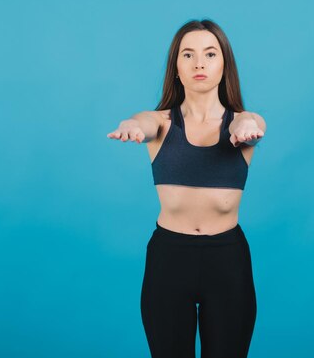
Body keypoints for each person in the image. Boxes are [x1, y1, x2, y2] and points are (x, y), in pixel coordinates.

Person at [107, 19, 266, 358]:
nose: (199, 64)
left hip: (227, 261)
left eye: (210, 54)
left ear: (224, 65)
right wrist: (132, 126)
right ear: (176, 67)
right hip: (169, 259)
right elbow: (144, 123)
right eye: (188, 55)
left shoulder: (245, 121)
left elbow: (248, 122)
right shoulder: (161, 122)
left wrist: (246, 127)